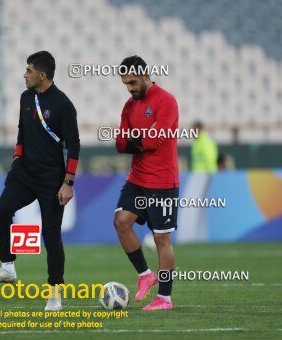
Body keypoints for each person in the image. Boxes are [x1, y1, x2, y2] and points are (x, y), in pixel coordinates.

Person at [0, 51, 80, 311]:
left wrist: (68, 182)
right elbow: (21, 133)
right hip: (24, 173)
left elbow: (74, 145)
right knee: (1, 211)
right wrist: (16, 161)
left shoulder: (63, 104)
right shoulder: (26, 98)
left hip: (51, 179)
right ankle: (7, 268)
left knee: (51, 236)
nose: (24, 75)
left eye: (28, 70)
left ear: (42, 75)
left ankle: (55, 294)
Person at [114, 55, 179, 310]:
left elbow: (155, 141)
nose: (129, 88)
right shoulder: (129, 106)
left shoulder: (166, 102)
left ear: (145, 75)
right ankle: (145, 274)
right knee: (121, 222)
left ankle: (164, 298)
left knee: (161, 239)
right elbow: (120, 143)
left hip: (162, 181)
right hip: (137, 178)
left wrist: (134, 138)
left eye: (132, 82)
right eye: (125, 84)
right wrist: (138, 137)